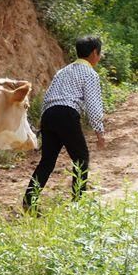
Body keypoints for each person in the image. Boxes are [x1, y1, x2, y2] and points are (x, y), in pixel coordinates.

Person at [23, 35, 107, 212]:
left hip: (49, 114)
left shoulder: (63, 71)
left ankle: (29, 201)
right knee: (81, 158)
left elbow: (48, 97)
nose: (99, 57)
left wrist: (43, 124)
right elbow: (93, 104)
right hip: (67, 114)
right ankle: (78, 204)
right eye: (99, 53)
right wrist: (99, 131)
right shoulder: (90, 74)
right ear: (94, 53)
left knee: (47, 161)